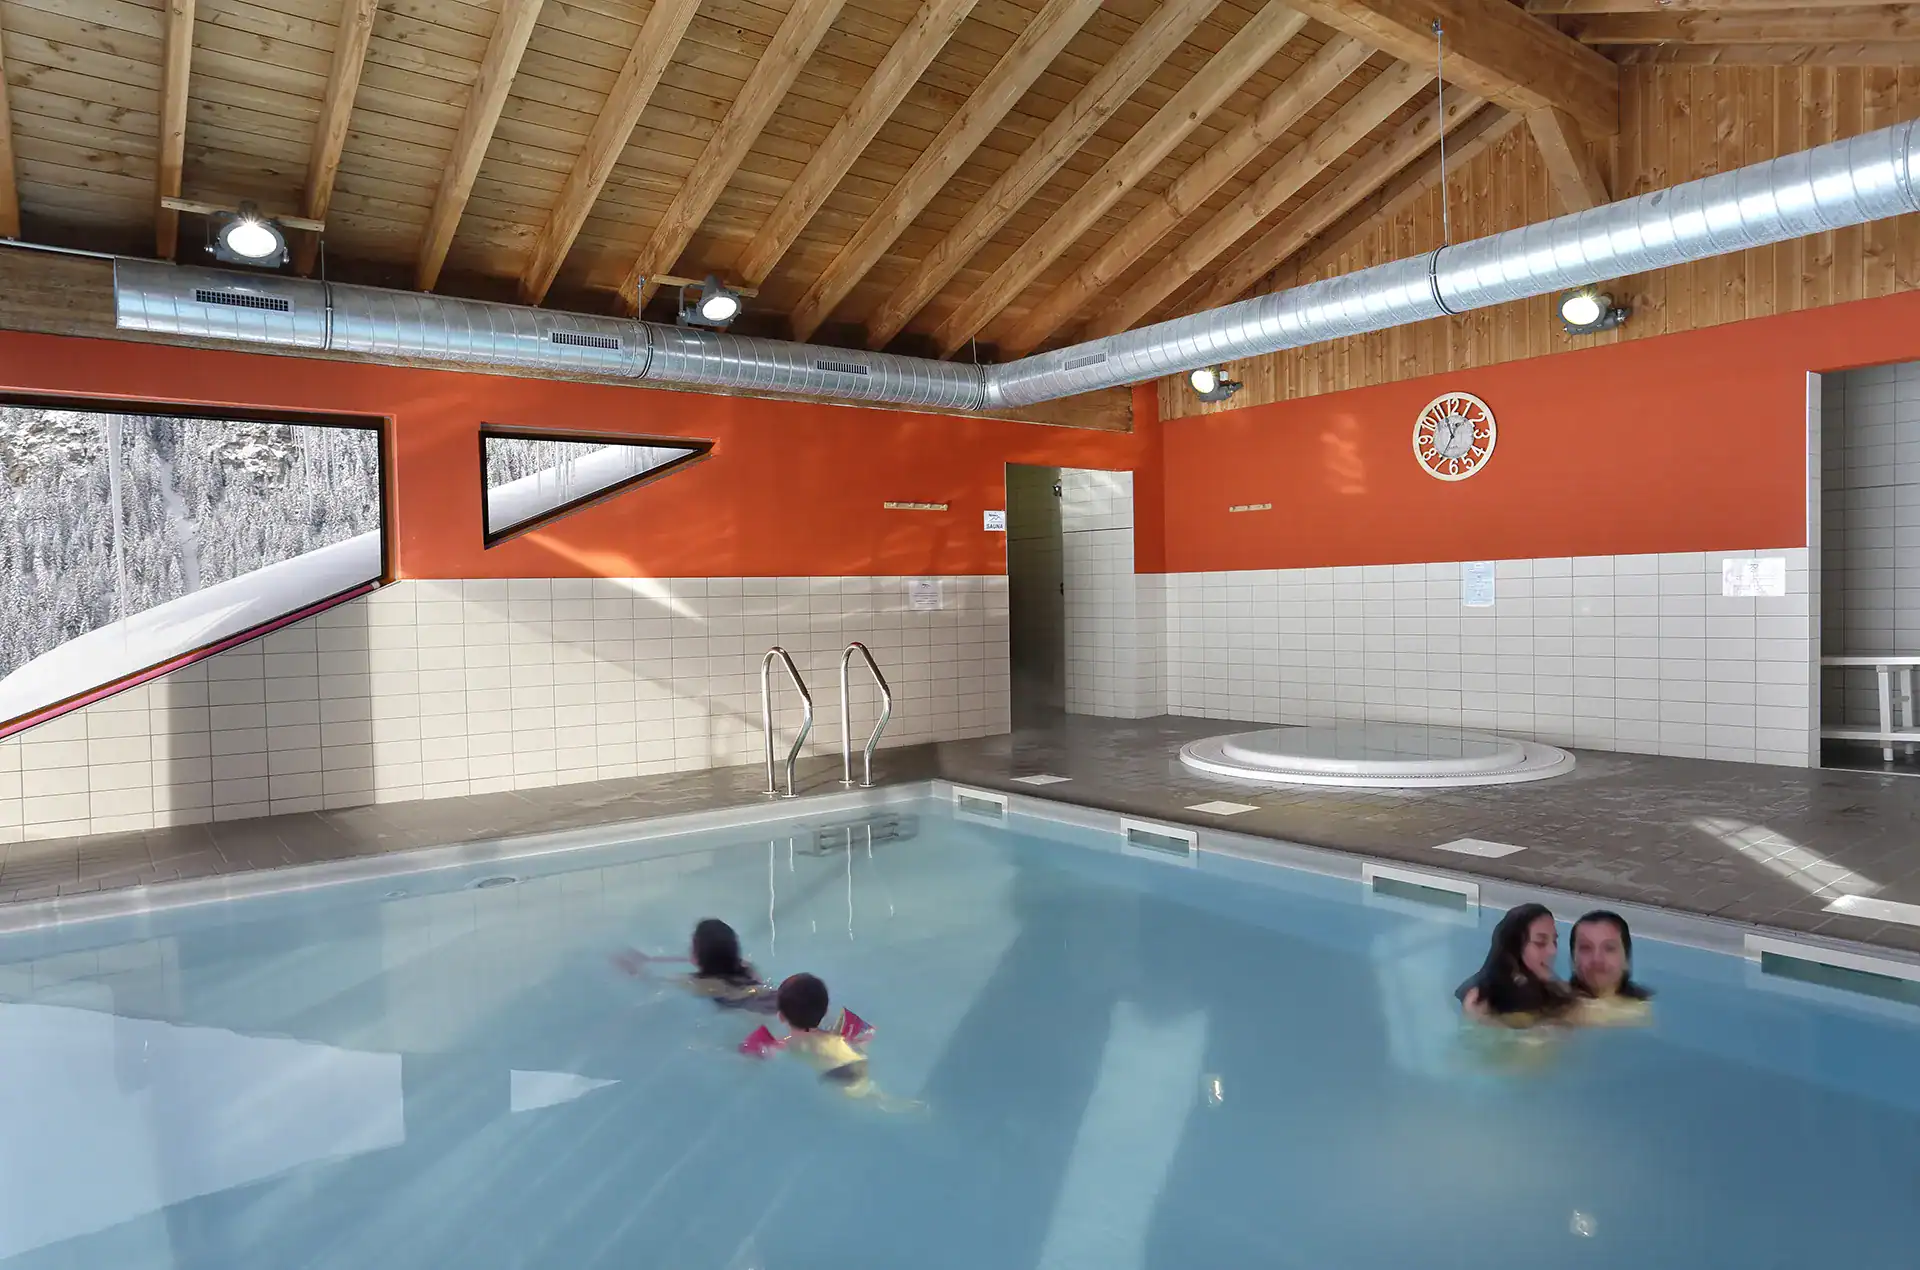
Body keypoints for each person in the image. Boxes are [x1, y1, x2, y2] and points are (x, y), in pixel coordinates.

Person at [740, 973, 914, 1109]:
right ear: (825, 1011)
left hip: (836, 1081)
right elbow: (867, 1038)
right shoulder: (845, 1034)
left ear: (781, 1017)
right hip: (852, 1066)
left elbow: (751, 1056)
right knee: (876, 1097)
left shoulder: (779, 1048)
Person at [613, 917, 780, 1012]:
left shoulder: (703, 985)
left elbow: (653, 981)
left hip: (755, 1017)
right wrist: (651, 959)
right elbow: (723, 956)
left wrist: (632, 969)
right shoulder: (748, 969)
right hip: (776, 1002)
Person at [1456, 903, 1575, 1027]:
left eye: (1554, 941)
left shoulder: (1546, 980)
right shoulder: (1479, 1000)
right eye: (1540, 942)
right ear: (1515, 947)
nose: (1553, 950)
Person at [1568, 910, 1653, 1025]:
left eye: (1609, 948)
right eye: (1586, 948)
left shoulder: (1643, 1009)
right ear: (1573, 960)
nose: (1597, 959)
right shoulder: (1552, 1006)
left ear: (1626, 959)